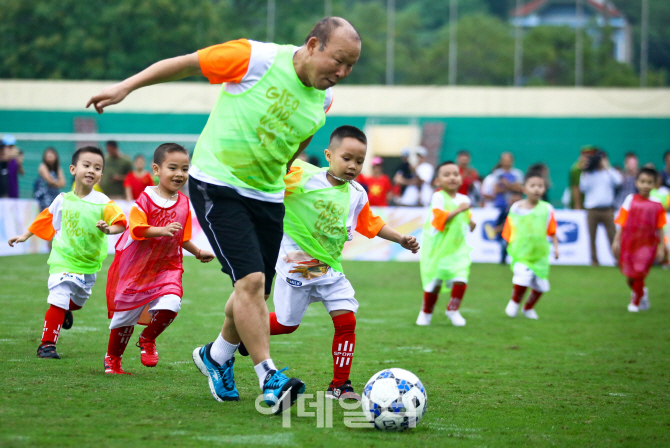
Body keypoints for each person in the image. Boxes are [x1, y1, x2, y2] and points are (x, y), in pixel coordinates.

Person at [87, 16, 361, 412]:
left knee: (251, 292)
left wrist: (281, 169)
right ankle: (270, 375)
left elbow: (301, 136)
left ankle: (216, 355)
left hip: (267, 196)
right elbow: (186, 63)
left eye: (351, 66)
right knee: (250, 282)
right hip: (217, 184)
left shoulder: (324, 99)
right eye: (339, 60)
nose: (343, 72)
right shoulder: (256, 59)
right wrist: (125, 87)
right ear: (314, 44)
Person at [238, 126, 418, 399]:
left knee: (346, 320)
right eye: (347, 158)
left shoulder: (357, 192)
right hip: (296, 263)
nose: (353, 166)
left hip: (329, 266)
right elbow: (269, 177)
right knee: (287, 324)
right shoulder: (302, 176)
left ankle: (340, 385)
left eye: (359, 161)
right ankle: (246, 333)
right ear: (328, 155)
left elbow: (370, 223)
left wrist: (400, 238)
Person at [104, 144, 215, 375]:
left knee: (172, 304)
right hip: (137, 269)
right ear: (156, 169)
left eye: (185, 169)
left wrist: (197, 252)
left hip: (168, 267)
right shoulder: (144, 198)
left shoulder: (185, 202)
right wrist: (160, 230)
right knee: (124, 318)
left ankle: (147, 338)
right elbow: (136, 230)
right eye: (172, 167)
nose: (179, 174)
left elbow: (181, 238)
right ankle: (113, 360)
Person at [7, 147, 126, 359]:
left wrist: (109, 229)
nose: (91, 170)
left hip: (88, 264)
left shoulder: (102, 202)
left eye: (97, 168)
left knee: (76, 303)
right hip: (62, 260)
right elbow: (45, 217)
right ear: (73, 169)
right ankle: (47, 345)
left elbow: (120, 223)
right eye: (86, 165)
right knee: (58, 297)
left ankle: (65, 310)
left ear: (101, 174)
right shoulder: (62, 199)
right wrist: (24, 236)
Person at [416, 161, 476, 327]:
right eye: (447, 174)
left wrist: (471, 223)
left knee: (461, 279)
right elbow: (438, 220)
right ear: (437, 181)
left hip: (458, 249)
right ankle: (426, 312)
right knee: (434, 283)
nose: (452, 177)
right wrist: (459, 210)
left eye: (455, 174)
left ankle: (453, 309)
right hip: (438, 249)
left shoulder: (464, 199)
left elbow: (465, 219)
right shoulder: (438, 196)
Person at [503, 171, 558, 320]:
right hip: (521, 253)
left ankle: (528, 308)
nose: (536, 189)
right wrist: (509, 244)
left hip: (540, 254)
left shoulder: (547, 209)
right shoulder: (516, 208)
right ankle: (514, 304)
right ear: (524, 189)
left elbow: (552, 229)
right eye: (532, 186)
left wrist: (556, 247)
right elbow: (509, 226)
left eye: (540, 186)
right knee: (523, 277)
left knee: (542, 285)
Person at [611, 167, 666, 313]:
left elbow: (660, 227)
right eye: (642, 181)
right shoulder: (630, 199)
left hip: (648, 245)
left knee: (639, 272)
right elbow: (622, 222)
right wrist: (616, 241)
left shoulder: (657, 204)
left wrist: (661, 246)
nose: (645, 185)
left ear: (654, 184)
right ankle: (642, 293)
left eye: (649, 182)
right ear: (636, 182)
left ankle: (634, 302)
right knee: (630, 275)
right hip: (630, 243)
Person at [579, 149, 622, 266]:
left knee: (612, 235)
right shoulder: (589, 173)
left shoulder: (609, 173)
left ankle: (618, 260)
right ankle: (594, 261)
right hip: (592, 210)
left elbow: (618, 181)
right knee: (592, 237)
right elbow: (583, 187)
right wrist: (584, 171)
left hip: (607, 209)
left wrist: (607, 167)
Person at [34, 147, 66, 211]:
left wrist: (56, 183)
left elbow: (63, 183)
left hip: (54, 195)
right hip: (44, 196)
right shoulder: (42, 166)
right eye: (48, 156)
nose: (49, 158)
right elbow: (49, 180)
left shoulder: (58, 168)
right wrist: (57, 183)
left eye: (51, 156)